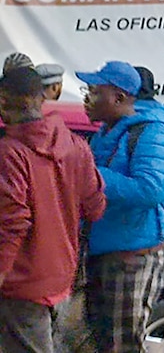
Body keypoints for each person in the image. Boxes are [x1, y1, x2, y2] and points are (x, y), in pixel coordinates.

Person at [78, 61, 164, 352]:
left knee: (122, 344)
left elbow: (150, 190)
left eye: (94, 92)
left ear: (119, 98)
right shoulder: (106, 133)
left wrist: (92, 175)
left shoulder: (153, 133)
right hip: (104, 252)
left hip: (132, 257)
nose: (87, 98)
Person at [0, 66, 106, 353]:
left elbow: (13, 223)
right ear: (41, 98)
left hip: (22, 284)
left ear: (4, 100)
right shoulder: (76, 145)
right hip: (62, 278)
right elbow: (95, 207)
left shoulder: (10, 152)